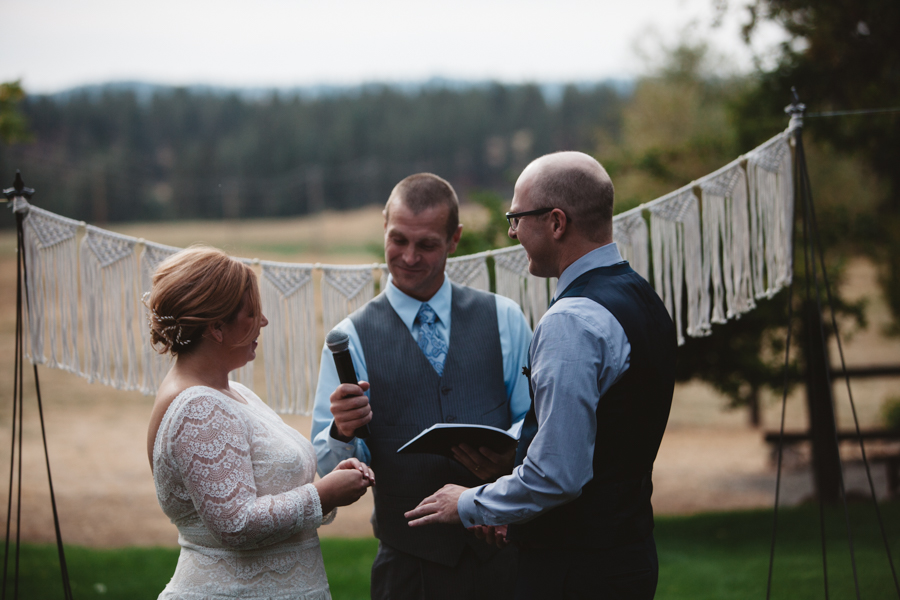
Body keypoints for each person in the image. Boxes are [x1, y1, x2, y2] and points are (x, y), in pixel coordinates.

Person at [405, 152, 677, 600]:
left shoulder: (571, 321)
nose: (511, 232)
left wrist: (470, 504)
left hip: (574, 571)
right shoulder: (640, 295)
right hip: (629, 554)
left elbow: (558, 475)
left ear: (556, 222)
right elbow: (609, 426)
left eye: (517, 218)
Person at [310, 173, 533, 599]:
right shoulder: (349, 337)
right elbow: (327, 468)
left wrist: (497, 494)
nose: (409, 257)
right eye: (398, 240)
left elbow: (534, 426)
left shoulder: (504, 318)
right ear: (384, 228)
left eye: (427, 244)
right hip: (407, 568)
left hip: (503, 558)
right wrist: (342, 431)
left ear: (454, 239)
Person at [146, 246, 374, 600]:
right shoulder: (199, 407)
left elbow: (266, 493)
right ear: (217, 327)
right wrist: (324, 493)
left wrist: (332, 484)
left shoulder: (232, 392)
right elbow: (236, 524)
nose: (263, 322)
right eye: (252, 313)